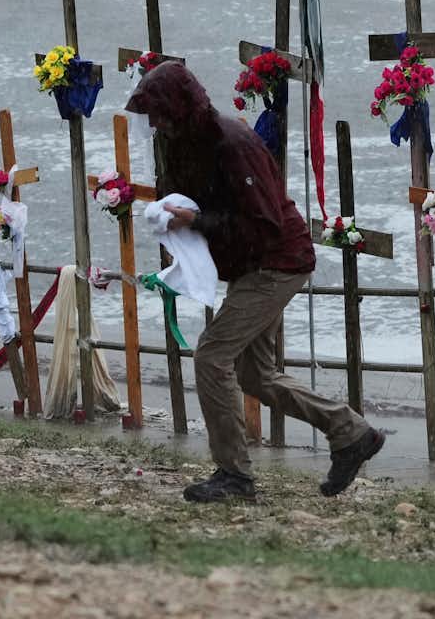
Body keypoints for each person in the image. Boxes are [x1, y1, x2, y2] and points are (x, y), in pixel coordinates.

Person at [126, 59, 383, 502]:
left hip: (276, 261)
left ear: (181, 106)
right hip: (251, 264)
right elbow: (191, 200)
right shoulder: (183, 141)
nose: (154, 123)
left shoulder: (233, 142)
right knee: (256, 375)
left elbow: (265, 223)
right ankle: (349, 431)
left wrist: (198, 221)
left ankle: (234, 475)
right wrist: (175, 219)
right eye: (150, 115)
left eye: (159, 112)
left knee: (211, 356)